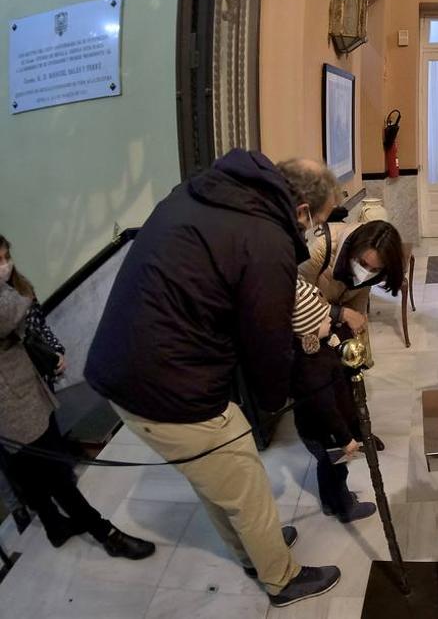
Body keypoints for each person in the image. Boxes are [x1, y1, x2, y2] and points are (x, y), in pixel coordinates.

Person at [85, 152, 342, 607]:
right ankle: (282, 578)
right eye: (318, 222)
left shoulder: (203, 191)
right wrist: (274, 397)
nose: (313, 232)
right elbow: (267, 336)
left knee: (213, 475)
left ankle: (252, 550)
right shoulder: (267, 238)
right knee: (244, 477)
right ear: (302, 210)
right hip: (166, 384)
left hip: (122, 368)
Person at [0, 237, 153, 559]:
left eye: (5, 257)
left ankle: (55, 526)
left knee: (35, 470)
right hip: (13, 404)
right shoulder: (7, 298)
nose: (5, 265)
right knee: (55, 474)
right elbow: (12, 313)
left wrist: (53, 352)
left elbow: (34, 321)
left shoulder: (15, 287)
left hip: (26, 391)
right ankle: (106, 534)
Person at [289, 278, 376, 523]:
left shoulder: (309, 350)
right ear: (309, 329)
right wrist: (345, 438)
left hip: (314, 431)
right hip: (325, 433)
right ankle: (344, 508)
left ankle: (328, 502)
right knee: (337, 469)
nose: (330, 318)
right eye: (323, 318)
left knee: (325, 466)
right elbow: (325, 409)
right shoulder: (312, 369)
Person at [299, 219, 405, 374]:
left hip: (330, 323)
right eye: (362, 263)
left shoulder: (372, 274)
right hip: (306, 325)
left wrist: (361, 351)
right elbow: (294, 294)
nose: (366, 271)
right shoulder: (321, 247)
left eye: (375, 269)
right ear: (354, 248)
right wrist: (340, 313)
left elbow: (358, 300)